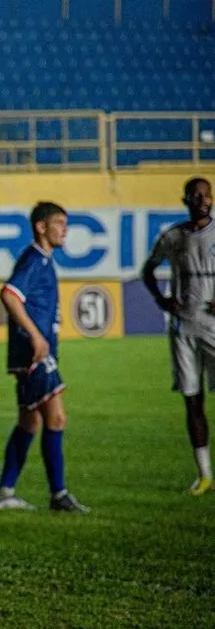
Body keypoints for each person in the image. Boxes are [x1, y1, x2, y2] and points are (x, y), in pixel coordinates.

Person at [0, 201, 90, 513]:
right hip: (34, 352)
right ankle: (58, 494)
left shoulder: (44, 261)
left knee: (30, 421)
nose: (65, 229)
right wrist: (36, 336)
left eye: (66, 223)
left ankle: (6, 492)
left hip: (33, 351)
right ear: (41, 227)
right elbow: (9, 294)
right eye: (59, 223)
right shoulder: (34, 259)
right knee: (56, 417)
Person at [141, 177, 214, 497]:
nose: (202, 199)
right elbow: (148, 269)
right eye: (196, 195)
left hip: (213, 326)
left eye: (206, 193)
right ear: (185, 199)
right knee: (192, 399)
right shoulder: (172, 236)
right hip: (183, 327)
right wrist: (161, 299)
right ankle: (204, 474)